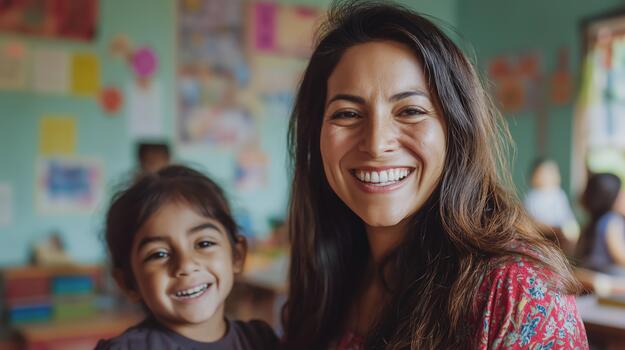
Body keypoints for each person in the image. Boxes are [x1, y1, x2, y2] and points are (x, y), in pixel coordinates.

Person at [283, 1, 588, 349]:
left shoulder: (517, 294)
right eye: (348, 113)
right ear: (315, 134)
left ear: (456, 129)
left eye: (410, 110)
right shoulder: (328, 273)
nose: (377, 143)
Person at [96, 165, 278, 349]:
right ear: (127, 283)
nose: (186, 265)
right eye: (159, 254)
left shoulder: (259, 341)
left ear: (237, 256)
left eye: (204, 244)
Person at [523, 158, 579, 255]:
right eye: (544, 173)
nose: (548, 177)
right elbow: (534, 222)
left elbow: (567, 216)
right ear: (533, 177)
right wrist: (554, 229)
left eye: (552, 173)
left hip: (560, 234)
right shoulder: (532, 197)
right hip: (543, 235)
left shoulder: (559, 194)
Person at [577, 173, 625, 275]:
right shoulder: (613, 220)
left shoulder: (592, 222)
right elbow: (620, 257)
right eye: (620, 193)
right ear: (611, 197)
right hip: (610, 277)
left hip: (592, 274)